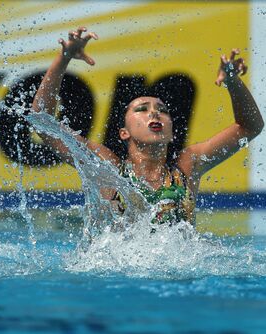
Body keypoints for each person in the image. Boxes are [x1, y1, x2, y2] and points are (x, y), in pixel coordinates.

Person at [32, 27, 263, 225]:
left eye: (162, 110)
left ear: (172, 132)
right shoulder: (107, 170)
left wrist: (233, 82)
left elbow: (250, 127)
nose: (154, 112)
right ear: (124, 132)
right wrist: (64, 58)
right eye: (141, 109)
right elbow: (43, 122)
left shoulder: (187, 167)